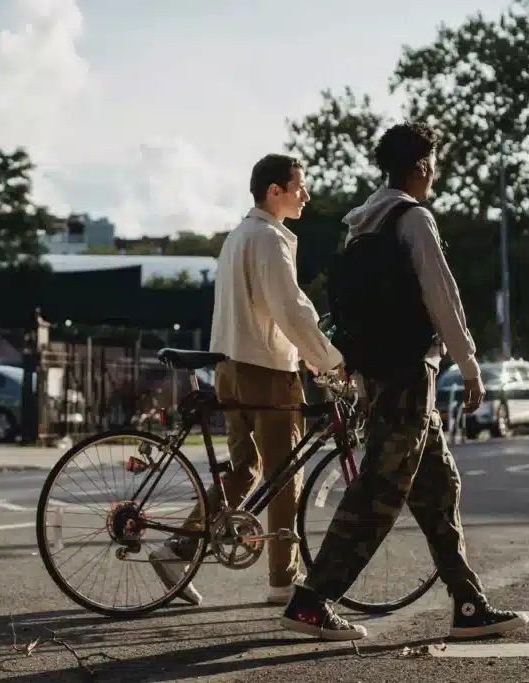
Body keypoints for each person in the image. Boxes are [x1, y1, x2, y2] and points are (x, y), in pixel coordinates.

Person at [279, 122, 529, 641]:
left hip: (382, 373)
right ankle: (312, 598)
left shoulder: (362, 224)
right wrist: (469, 365)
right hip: (411, 374)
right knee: (378, 493)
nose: (434, 174)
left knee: (439, 488)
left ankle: (467, 603)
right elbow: (443, 298)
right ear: (420, 167)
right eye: (432, 164)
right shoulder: (414, 219)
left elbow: (353, 313)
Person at [149, 153, 346, 606]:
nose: (306, 195)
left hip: (229, 368)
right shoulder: (269, 240)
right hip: (267, 371)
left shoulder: (237, 237)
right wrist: (329, 360)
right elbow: (290, 310)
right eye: (299, 187)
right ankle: (283, 580)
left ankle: (178, 546)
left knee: (244, 470)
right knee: (283, 477)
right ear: (273, 191)